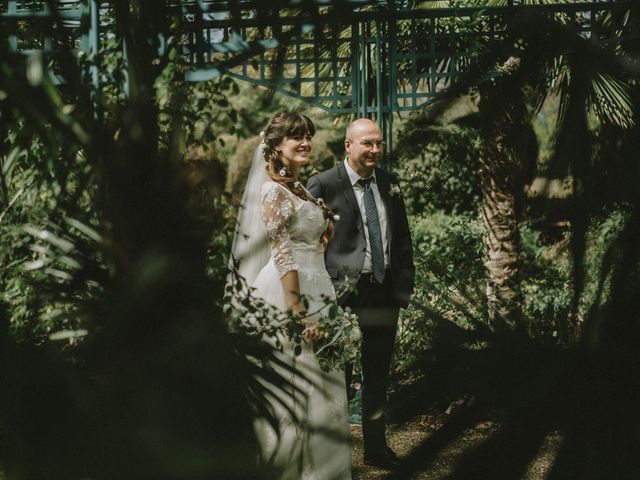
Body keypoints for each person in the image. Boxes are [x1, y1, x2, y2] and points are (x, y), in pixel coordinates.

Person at [229, 111, 352, 479]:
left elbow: (307, 238)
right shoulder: (271, 191)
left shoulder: (296, 188)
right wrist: (298, 313)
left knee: (322, 384)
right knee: (295, 388)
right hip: (289, 292)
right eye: (296, 136)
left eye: (308, 136)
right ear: (276, 145)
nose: (305, 142)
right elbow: (282, 253)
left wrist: (322, 234)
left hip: (317, 286)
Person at [307, 118, 415, 470]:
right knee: (337, 377)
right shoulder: (323, 184)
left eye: (378, 143)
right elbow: (310, 245)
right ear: (348, 145)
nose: (375, 150)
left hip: (384, 294)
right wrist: (322, 297)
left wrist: (404, 285)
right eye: (367, 143)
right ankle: (334, 455)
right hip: (343, 297)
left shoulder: (390, 182)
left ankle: (376, 448)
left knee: (378, 374)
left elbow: (401, 238)